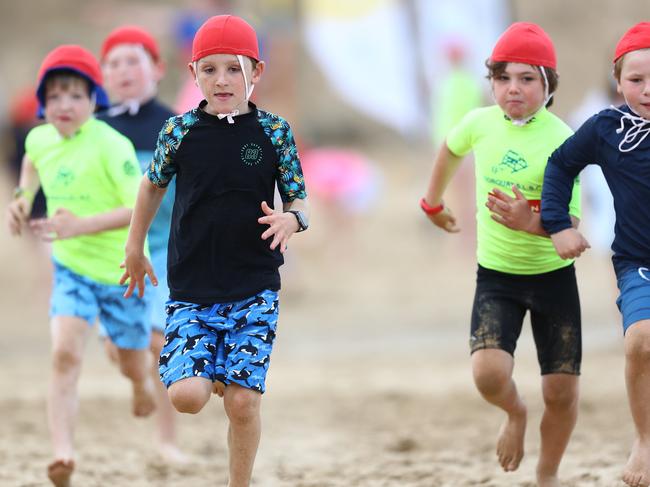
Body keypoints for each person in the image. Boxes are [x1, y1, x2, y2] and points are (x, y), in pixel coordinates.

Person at [120, 15, 309, 487]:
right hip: (191, 287)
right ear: (193, 74)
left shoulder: (275, 132)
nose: (221, 79)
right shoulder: (178, 132)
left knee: (243, 402)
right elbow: (151, 188)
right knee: (187, 397)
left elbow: (300, 198)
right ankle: (210, 368)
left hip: (255, 286)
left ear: (256, 71)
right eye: (210, 69)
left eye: (233, 68)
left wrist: (294, 218)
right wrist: (134, 245)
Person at [421, 22, 581, 487]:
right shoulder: (478, 123)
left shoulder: (562, 139)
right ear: (490, 81)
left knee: (562, 392)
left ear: (548, 85)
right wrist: (432, 202)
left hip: (553, 277)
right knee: (488, 374)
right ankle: (515, 412)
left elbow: (570, 225)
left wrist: (530, 221)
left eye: (527, 79)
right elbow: (449, 150)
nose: (513, 89)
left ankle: (546, 475)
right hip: (497, 276)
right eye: (503, 78)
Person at [5, 45, 155, 487]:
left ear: (94, 99)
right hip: (71, 271)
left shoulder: (113, 145)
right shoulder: (38, 137)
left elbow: (138, 207)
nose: (63, 106)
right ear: (42, 103)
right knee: (65, 353)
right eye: (53, 97)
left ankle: (140, 382)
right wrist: (20, 199)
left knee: (129, 360)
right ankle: (63, 454)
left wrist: (80, 226)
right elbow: (31, 165)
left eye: (74, 95)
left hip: (119, 272)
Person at [532, 22, 650, 487]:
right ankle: (645, 438)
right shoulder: (605, 127)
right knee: (640, 340)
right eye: (636, 80)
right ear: (617, 82)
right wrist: (558, 224)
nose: (647, 89)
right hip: (638, 259)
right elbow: (560, 165)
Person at [98, 25, 185, 463]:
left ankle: (166, 441)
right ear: (102, 75)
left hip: (165, 253)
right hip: (108, 253)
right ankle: (137, 383)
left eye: (134, 61)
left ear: (157, 69)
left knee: (158, 344)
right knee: (120, 348)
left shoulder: (176, 128)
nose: (124, 70)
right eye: (114, 63)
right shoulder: (93, 131)